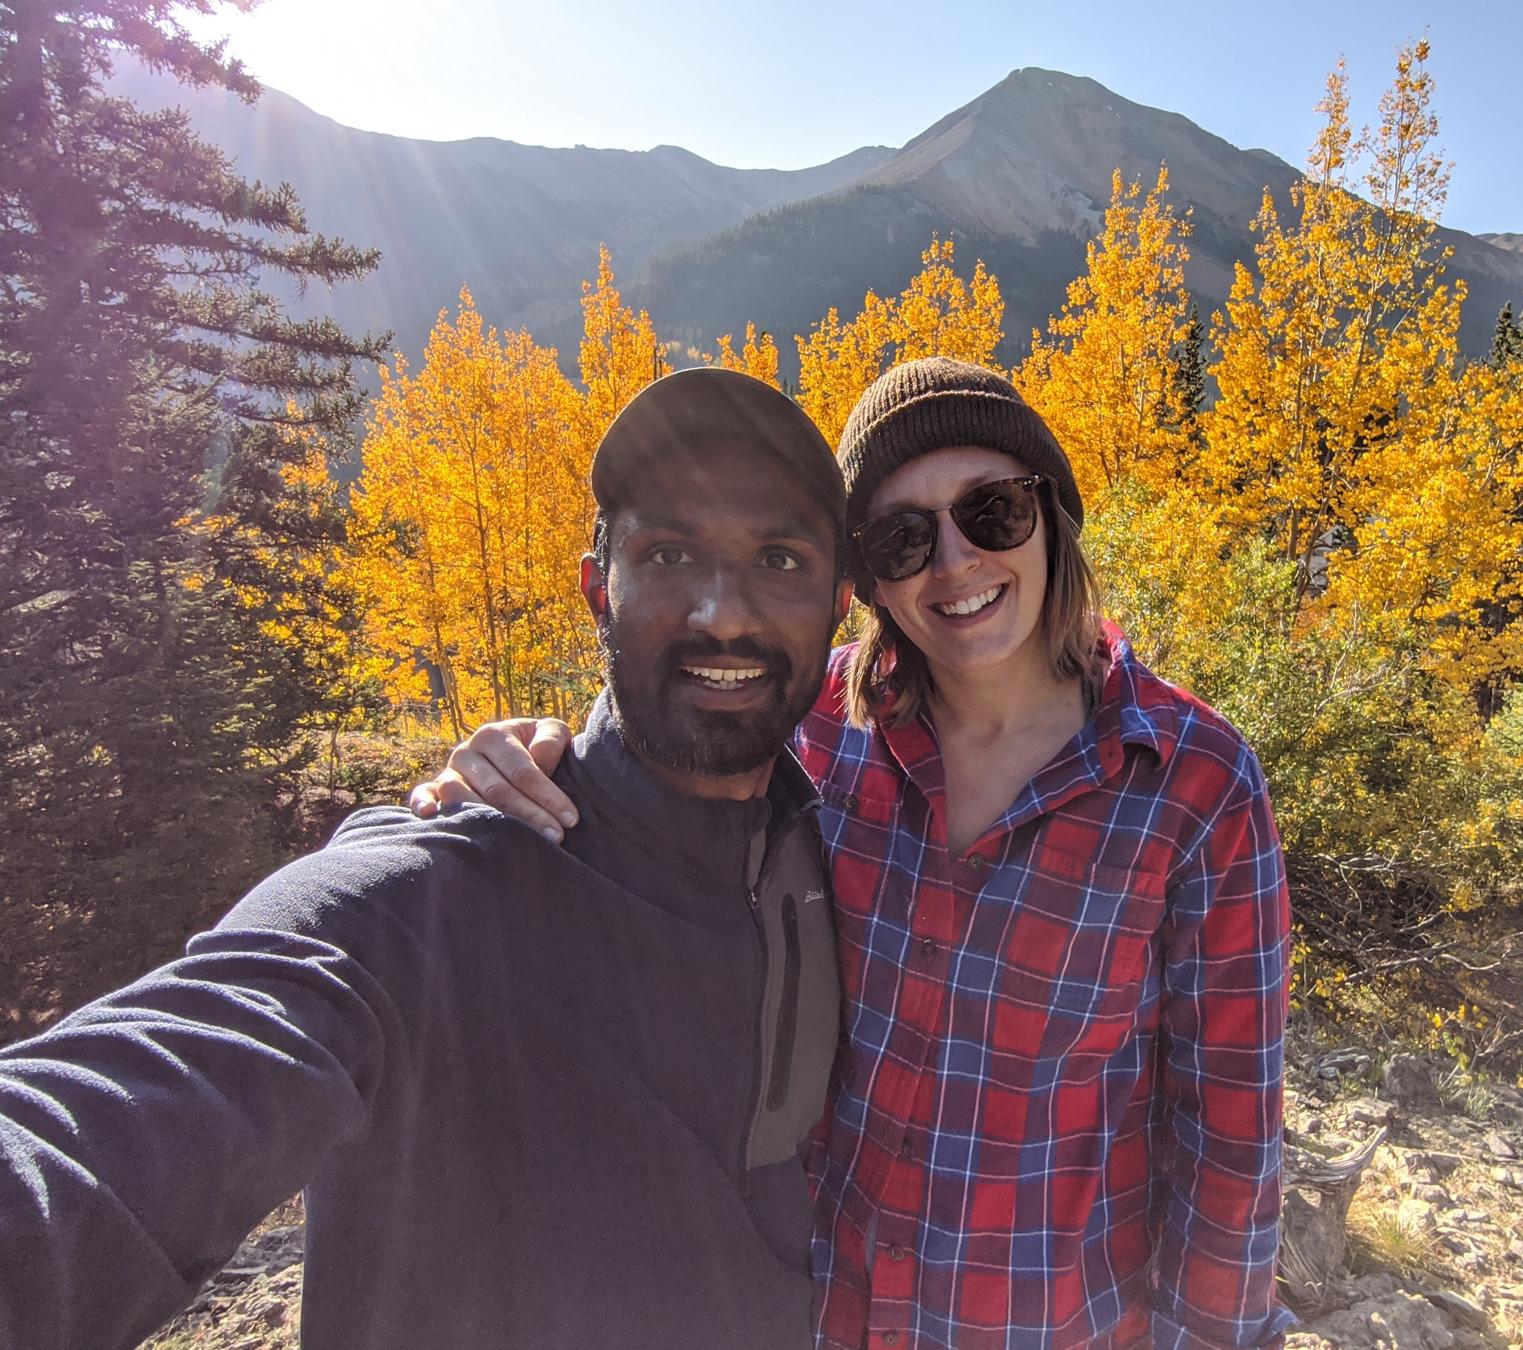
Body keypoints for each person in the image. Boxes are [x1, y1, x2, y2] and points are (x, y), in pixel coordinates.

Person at [417, 358, 1297, 1349]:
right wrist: (532, 763)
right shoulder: (812, 721)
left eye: (993, 511)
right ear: (867, 577)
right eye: (903, 536)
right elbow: (658, 757)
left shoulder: (1195, 783)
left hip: (1047, 1324)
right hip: (811, 1306)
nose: (955, 562)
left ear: (1053, 513)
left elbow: (1229, 1132)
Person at [0, 368, 851, 1350]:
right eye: (668, 553)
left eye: (779, 560)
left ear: (838, 609)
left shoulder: (841, 869)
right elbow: (146, 1091)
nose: (723, 614)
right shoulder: (430, 895)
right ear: (595, 591)